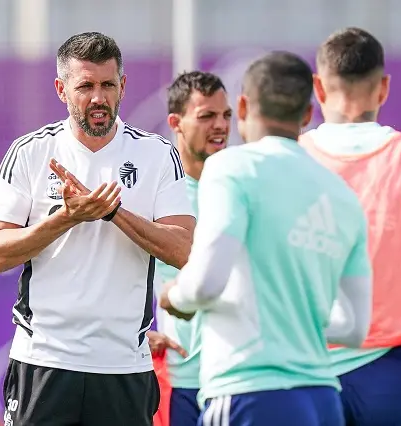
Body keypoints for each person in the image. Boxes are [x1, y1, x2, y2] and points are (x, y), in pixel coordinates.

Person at [0, 32, 196, 426]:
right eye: (85, 87)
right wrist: (66, 217)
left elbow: (184, 251)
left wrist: (113, 213)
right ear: (61, 90)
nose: (98, 97)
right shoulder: (30, 152)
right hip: (44, 360)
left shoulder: (157, 154)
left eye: (108, 85)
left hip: (123, 366)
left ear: (123, 86)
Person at [158, 51, 373, 426]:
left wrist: (173, 296)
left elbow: (206, 285)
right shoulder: (340, 194)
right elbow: (355, 328)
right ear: (307, 114)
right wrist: (292, 320)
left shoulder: (230, 168)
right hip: (323, 398)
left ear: (242, 107)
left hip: (249, 392)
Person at [299, 27, 401, 425]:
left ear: (318, 87)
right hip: (389, 374)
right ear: (383, 88)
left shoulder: (289, 160)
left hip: (300, 369)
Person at [148, 71, 231, 426]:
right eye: (207, 116)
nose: (221, 125)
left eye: (226, 115)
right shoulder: (157, 195)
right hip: (181, 380)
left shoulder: (240, 188)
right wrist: (134, 335)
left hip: (237, 377)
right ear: (175, 123)